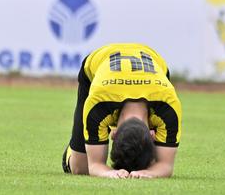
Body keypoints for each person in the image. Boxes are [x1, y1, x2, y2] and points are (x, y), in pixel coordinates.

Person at [62, 43, 182, 179]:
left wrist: (149, 172)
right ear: (113, 135)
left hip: (154, 62)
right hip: (99, 61)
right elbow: (94, 165)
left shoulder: (168, 106)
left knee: (143, 155)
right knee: (80, 168)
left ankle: (94, 137)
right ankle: (73, 149)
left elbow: (165, 166)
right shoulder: (98, 104)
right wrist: (109, 173)